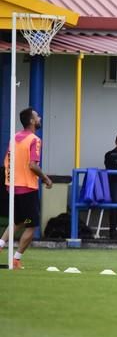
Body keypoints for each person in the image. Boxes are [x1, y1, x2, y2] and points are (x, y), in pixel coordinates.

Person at [0, 108, 52, 269]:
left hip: (13, 188)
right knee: (31, 225)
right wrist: (45, 178)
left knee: (18, 221)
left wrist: (9, 182)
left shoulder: (14, 138)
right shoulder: (34, 140)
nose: (40, 118)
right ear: (31, 121)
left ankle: (1, 244)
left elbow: (6, 162)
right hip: (27, 189)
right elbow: (32, 165)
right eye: (37, 116)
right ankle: (16, 259)